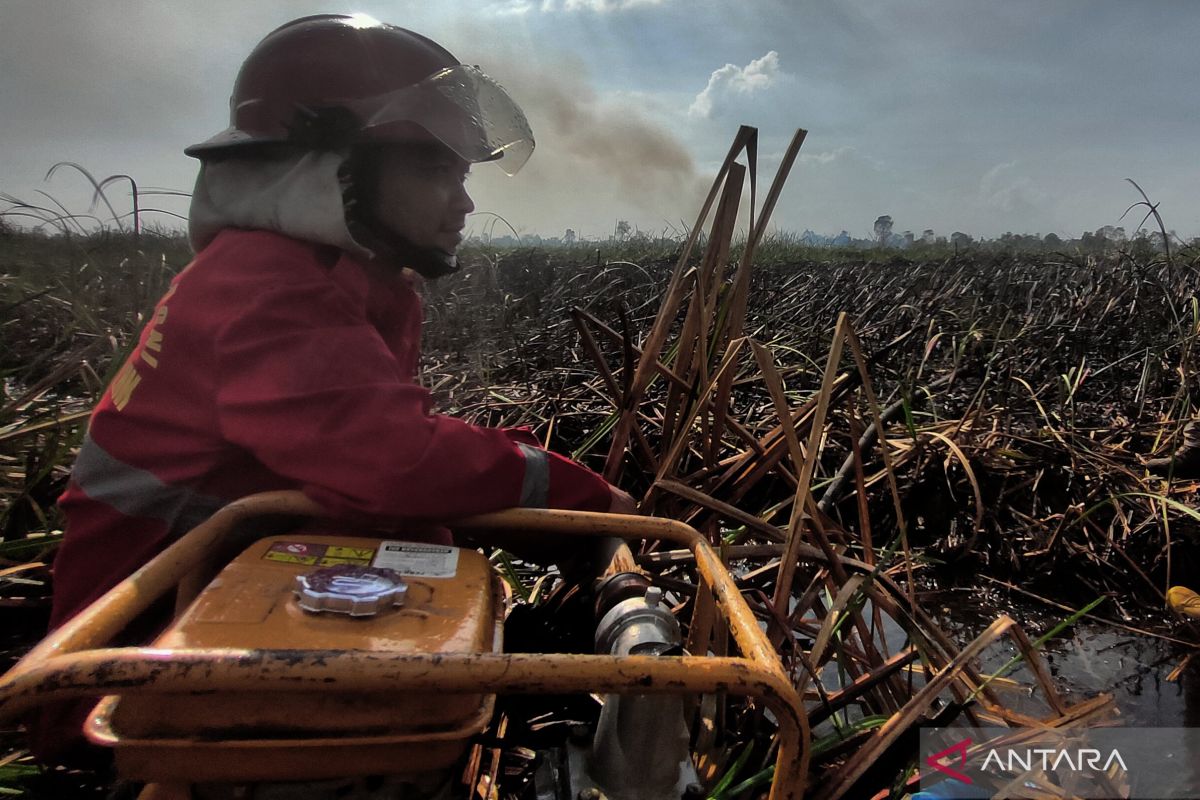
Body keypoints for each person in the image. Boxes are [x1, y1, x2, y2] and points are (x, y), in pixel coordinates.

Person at [35, 13, 635, 764]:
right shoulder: (269, 286)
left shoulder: (329, 277)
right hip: (130, 677)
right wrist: (579, 501)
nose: (463, 202)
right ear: (334, 167)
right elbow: (392, 461)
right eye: (432, 169)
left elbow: (365, 451)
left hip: (211, 604)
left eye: (463, 173)